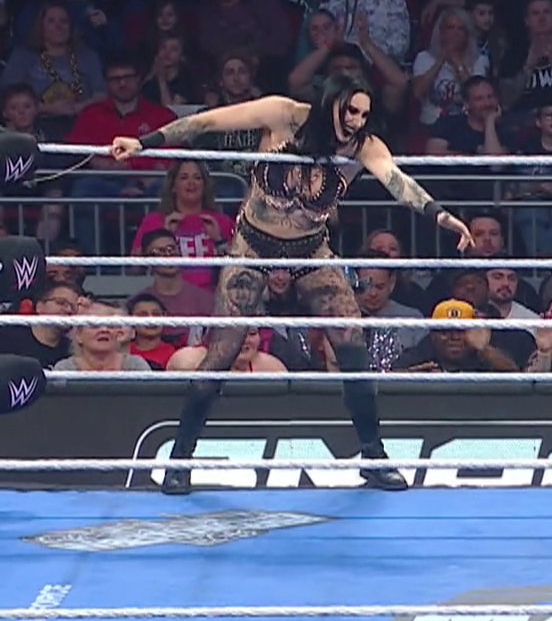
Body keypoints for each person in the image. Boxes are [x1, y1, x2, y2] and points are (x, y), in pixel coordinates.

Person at [108, 74, 477, 496]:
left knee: (353, 347)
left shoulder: (364, 147)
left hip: (310, 249)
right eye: (350, 111)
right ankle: (179, 461)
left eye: (364, 114)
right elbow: (206, 122)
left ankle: (374, 457)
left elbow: (399, 183)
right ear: (331, 102)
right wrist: (144, 143)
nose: (356, 121)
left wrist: (443, 217)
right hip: (253, 245)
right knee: (222, 352)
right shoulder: (282, 115)